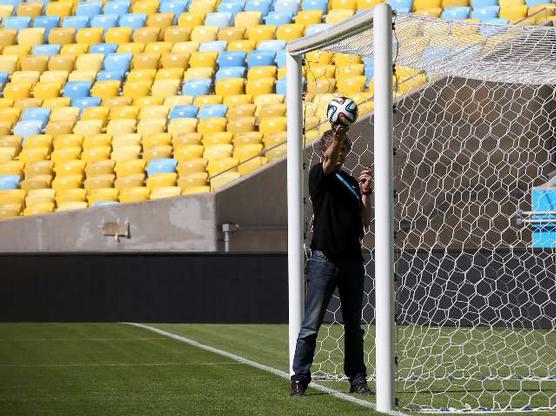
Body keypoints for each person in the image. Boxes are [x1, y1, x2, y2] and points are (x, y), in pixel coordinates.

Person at [290, 121, 373, 397]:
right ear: (324, 151)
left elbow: (365, 221)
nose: (342, 154)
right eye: (338, 148)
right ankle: (300, 377)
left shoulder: (349, 181)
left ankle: (357, 378)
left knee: (353, 326)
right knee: (311, 322)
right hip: (324, 259)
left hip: (352, 261)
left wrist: (365, 193)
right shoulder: (319, 175)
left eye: (346, 150)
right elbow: (328, 162)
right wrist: (339, 133)